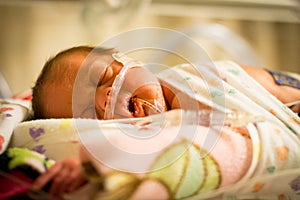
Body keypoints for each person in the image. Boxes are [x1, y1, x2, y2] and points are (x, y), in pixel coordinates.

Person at [28, 45, 300, 198]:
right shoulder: (148, 136)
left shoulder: (208, 74)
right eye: (88, 113)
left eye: (102, 77)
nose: (105, 98)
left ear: (131, 61)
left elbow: (287, 89)